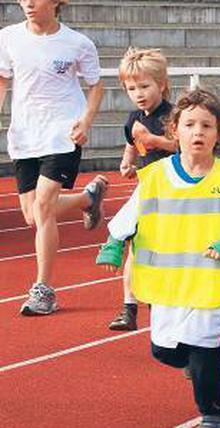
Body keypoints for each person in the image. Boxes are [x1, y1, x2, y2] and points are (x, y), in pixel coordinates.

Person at [96, 89, 220, 428]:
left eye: (207, 125)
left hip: (212, 287)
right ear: (175, 130)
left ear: (219, 133)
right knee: (164, 352)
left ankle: (216, 413)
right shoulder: (155, 178)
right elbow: (126, 220)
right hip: (168, 287)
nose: (198, 132)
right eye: (190, 124)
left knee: (206, 357)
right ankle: (193, 363)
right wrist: (114, 245)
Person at [0, 0, 107, 316]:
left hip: (63, 134)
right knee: (33, 215)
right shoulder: (8, 37)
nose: (28, 3)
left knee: (44, 206)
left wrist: (86, 120)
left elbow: (96, 84)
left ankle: (43, 290)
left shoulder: (77, 43)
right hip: (24, 136)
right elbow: (3, 79)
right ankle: (87, 199)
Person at [108, 47, 178, 331]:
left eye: (145, 86)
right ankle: (129, 307)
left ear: (161, 85)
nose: (139, 93)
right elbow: (131, 143)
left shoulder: (174, 115)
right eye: (131, 88)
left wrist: (154, 140)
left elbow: (181, 146)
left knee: (168, 252)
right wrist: (127, 163)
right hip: (148, 189)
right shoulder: (133, 118)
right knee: (135, 245)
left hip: (176, 191)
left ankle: (165, 304)